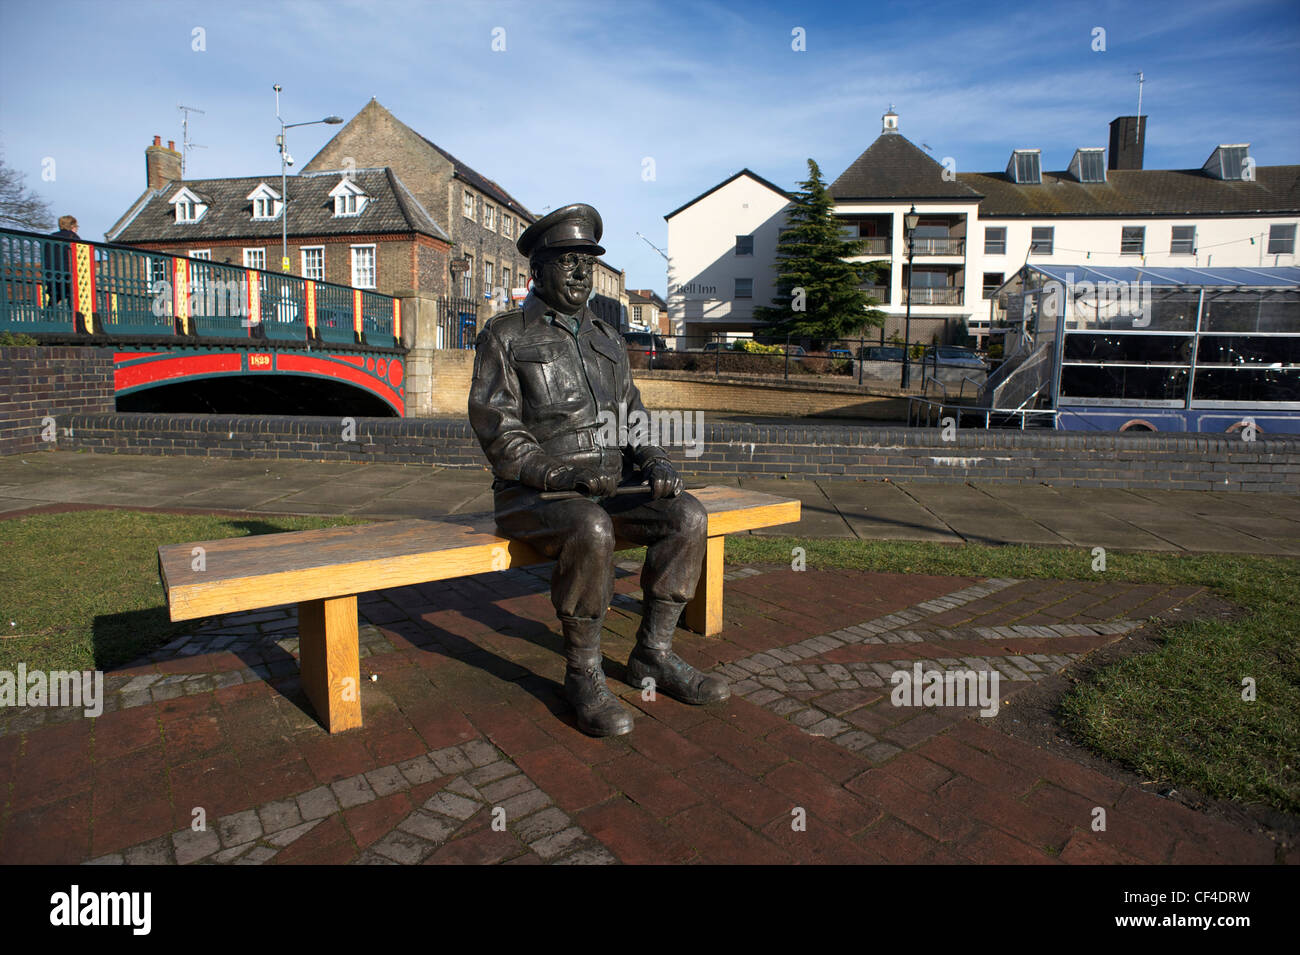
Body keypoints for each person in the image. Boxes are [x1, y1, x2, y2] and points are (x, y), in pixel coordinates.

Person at [468, 203, 729, 737]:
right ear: (537, 270)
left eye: (587, 261)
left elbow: (632, 415)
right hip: (533, 496)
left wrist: (654, 458)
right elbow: (498, 427)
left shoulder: (608, 339)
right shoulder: (505, 335)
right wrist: (559, 476)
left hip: (610, 488)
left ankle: (652, 654)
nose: (581, 272)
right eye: (568, 261)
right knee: (591, 526)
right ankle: (582, 674)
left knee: (688, 516)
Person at [44, 215, 80, 310]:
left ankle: (47, 317)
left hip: (52, 273)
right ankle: (75, 319)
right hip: (68, 272)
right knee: (72, 296)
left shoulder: (51, 237)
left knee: (55, 296)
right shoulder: (73, 237)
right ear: (72, 226)